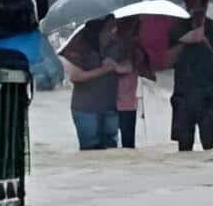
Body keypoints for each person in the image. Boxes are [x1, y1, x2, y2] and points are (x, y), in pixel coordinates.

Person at [170, 0, 213, 152]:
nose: (189, 4)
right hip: (183, 95)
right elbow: (166, 61)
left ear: (204, 3)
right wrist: (185, 41)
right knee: (183, 148)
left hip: (209, 96)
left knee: (210, 148)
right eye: (187, 0)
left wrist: (205, 42)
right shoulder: (177, 28)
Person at [61, 18, 126, 150]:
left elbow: (133, 64)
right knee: (89, 151)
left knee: (112, 151)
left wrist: (118, 67)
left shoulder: (118, 43)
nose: (113, 30)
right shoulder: (77, 45)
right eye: (109, 27)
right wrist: (104, 70)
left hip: (111, 107)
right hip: (85, 109)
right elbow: (75, 76)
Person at [108, 17, 153, 149]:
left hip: (126, 105)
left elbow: (129, 68)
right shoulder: (115, 46)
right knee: (119, 146)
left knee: (125, 145)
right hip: (114, 104)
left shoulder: (135, 50)